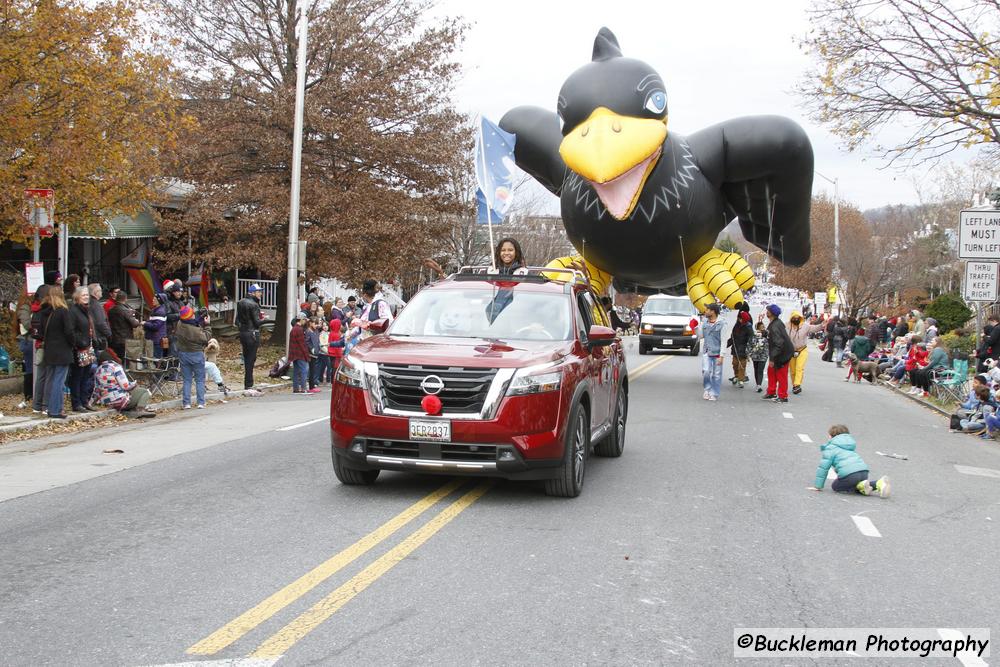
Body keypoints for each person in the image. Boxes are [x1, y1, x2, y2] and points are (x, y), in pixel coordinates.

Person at [810, 425, 890, 498]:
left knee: (836, 486)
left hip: (850, 475)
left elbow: (823, 468)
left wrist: (818, 486)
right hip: (864, 472)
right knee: (855, 483)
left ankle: (861, 486)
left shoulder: (830, 448)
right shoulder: (849, 445)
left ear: (831, 437)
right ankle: (878, 483)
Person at [39, 289, 75, 419]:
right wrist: (73, 344)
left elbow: (41, 332)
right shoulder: (62, 312)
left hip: (49, 350)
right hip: (62, 350)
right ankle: (56, 409)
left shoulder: (44, 312)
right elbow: (69, 331)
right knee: (59, 381)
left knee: (51, 379)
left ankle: (47, 406)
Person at [91, 350, 155, 418]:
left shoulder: (98, 369)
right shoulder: (115, 367)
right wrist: (134, 384)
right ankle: (140, 410)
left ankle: (132, 410)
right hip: (119, 401)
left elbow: (97, 388)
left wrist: (92, 402)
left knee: (132, 392)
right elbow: (126, 386)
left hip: (105, 401)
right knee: (145, 391)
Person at [174, 305, 209, 409]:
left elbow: (191, 321)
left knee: (187, 380)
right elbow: (206, 337)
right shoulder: (195, 330)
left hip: (183, 354)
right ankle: (201, 402)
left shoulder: (180, 324)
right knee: (199, 380)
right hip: (196, 354)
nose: (194, 315)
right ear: (190, 316)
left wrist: (199, 317)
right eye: (192, 314)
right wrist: (207, 325)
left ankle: (186, 403)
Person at [68, 287, 96, 413]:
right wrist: (80, 342)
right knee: (77, 376)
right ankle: (76, 403)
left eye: (87, 295)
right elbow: (71, 330)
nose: (86, 297)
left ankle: (85, 401)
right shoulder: (74, 311)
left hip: (88, 347)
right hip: (79, 348)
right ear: (77, 296)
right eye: (83, 295)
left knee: (86, 375)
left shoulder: (86, 310)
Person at [787, 311, 824, 394]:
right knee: (792, 370)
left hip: (802, 349)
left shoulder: (805, 326)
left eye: (797, 318)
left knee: (799, 367)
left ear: (800, 318)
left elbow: (814, 328)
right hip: (791, 351)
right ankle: (794, 385)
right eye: (794, 318)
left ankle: (797, 385)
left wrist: (822, 325)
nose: (795, 319)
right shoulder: (787, 326)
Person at [763, 304, 795, 403]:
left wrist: (772, 358)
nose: (766, 312)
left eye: (767, 310)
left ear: (771, 313)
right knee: (771, 371)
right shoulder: (775, 322)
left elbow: (779, 343)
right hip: (780, 352)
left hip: (783, 354)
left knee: (781, 374)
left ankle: (783, 396)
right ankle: (771, 391)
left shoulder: (775, 326)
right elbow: (771, 335)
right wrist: (764, 333)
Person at [235, 283, 263, 390]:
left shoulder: (241, 302)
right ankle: (249, 384)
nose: (260, 294)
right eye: (258, 292)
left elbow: (237, 320)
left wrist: (242, 329)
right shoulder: (254, 305)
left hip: (243, 333)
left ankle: (247, 383)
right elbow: (257, 323)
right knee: (251, 358)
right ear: (252, 293)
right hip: (253, 334)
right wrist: (265, 319)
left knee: (247, 357)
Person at [699, 303, 725, 401]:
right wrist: (695, 327)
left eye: (707, 310)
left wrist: (721, 356)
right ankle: (707, 389)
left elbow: (723, 340)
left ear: (713, 311)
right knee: (706, 371)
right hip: (707, 351)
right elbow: (701, 336)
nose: (705, 311)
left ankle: (714, 393)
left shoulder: (722, 323)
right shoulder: (704, 322)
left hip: (717, 352)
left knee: (716, 374)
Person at [108, 291, 140, 362]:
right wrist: (135, 318)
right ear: (125, 299)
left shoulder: (111, 310)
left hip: (114, 338)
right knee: (126, 360)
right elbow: (134, 324)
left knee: (116, 359)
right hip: (125, 339)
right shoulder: (125, 310)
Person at [15, 292, 34, 409]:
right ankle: (28, 396)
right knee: (30, 370)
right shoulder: (24, 308)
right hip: (28, 341)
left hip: (33, 341)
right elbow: (27, 324)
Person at [727, 310, 752, 388]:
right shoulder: (736, 325)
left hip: (744, 349)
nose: (739, 320)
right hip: (735, 348)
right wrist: (727, 344)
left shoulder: (748, 327)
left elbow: (751, 339)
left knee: (742, 365)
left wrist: (749, 349)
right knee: (735, 363)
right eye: (739, 318)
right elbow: (732, 337)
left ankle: (741, 379)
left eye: (741, 318)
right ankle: (736, 376)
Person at [288, 315, 311, 393]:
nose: (305, 321)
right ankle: (303, 388)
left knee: (296, 371)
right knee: (304, 371)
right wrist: (306, 355)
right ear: (300, 320)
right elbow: (302, 344)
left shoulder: (293, 329)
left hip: (294, 354)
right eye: (304, 320)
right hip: (300, 353)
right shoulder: (299, 329)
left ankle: (296, 388)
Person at [87, 283, 112, 352]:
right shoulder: (96, 305)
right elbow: (100, 323)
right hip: (99, 339)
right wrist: (109, 334)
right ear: (95, 293)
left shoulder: (89, 303)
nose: (102, 292)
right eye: (100, 290)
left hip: (94, 338)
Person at [144, 293, 169, 359]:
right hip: (154, 338)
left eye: (155, 299)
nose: (152, 300)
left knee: (156, 358)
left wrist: (145, 323)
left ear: (159, 301)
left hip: (157, 339)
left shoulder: (160, 312)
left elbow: (155, 326)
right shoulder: (156, 310)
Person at [747, 320, 769, 393]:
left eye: (763, 327)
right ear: (757, 328)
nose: (763, 328)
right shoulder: (753, 335)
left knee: (760, 370)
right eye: (761, 327)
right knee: (756, 370)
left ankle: (759, 385)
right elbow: (749, 344)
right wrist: (748, 354)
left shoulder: (766, 334)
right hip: (755, 356)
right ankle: (757, 384)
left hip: (763, 356)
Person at [306, 317, 322, 393]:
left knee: (314, 370)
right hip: (311, 354)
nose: (316, 325)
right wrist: (311, 348)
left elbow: (317, 340)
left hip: (316, 352)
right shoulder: (308, 331)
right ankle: (311, 386)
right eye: (315, 323)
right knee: (311, 370)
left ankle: (313, 385)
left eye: (317, 324)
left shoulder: (316, 331)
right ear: (310, 323)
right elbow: (307, 342)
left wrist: (319, 346)